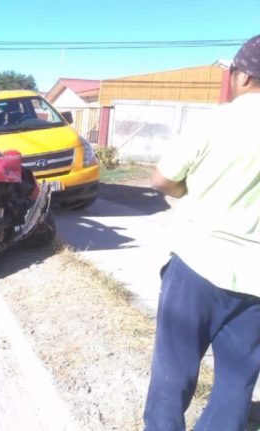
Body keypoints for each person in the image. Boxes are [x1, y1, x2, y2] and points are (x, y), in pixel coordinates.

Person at [144, 34, 260, 431]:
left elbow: (162, 179)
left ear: (242, 76)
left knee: (173, 374)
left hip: (197, 264)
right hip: (257, 282)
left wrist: (186, 196)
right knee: (235, 383)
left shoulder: (216, 120)